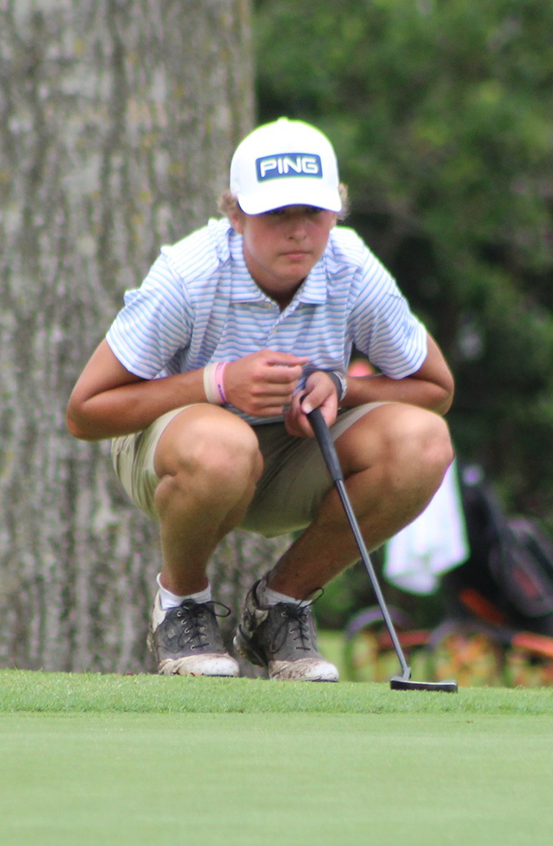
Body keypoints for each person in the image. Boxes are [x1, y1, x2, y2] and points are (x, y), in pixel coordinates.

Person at [66, 117, 454, 682]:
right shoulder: (189, 273)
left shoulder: (352, 266)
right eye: (277, 214)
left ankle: (280, 607)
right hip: (175, 451)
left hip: (293, 454)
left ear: (336, 211)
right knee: (223, 444)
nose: (298, 231)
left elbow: (435, 390)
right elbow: (86, 412)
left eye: (313, 213)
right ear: (236, 212)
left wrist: (341, 387)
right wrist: (216, 384)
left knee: (424, 442)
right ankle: (183, 605)